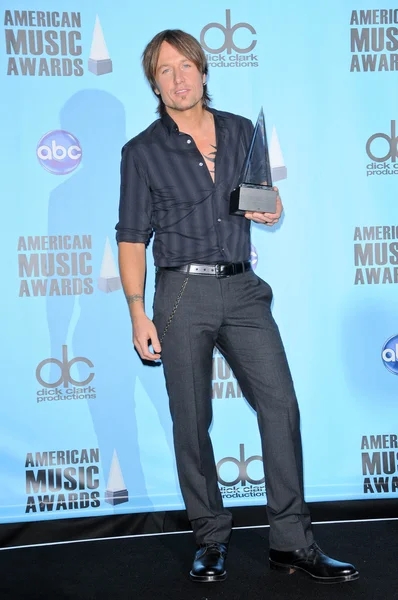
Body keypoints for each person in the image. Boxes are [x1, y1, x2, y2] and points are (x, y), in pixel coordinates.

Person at [116, 29, 358, 584]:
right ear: (154, 83)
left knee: (281, 407)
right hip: (181, 294)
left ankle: (292, 543)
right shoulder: (142, 151)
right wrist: (136, 312)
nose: (178, 79)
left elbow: (261, 200)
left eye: (185, 67)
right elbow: (131, 239)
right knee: (192, 420)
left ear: (203, 70)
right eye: (164, 71)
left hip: (245, 289)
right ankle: (209, 537)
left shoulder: (242, 131)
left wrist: (271, 209)